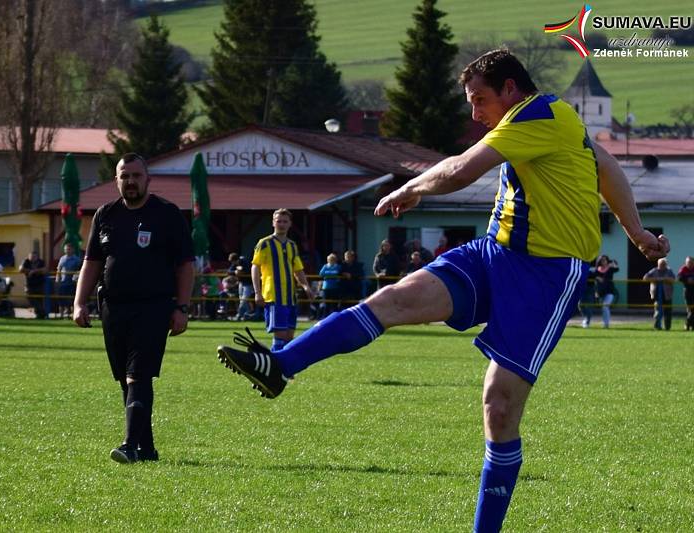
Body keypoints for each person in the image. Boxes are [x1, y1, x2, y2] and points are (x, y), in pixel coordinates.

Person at [215, 49, 670, 532]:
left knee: (498, 405)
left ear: (510, 90)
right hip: (493, 254)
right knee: (392, 299)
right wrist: (638, 230)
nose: (473, 112)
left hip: (547, 276)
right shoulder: (547, 119)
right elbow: (601, 166)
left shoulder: (539, 114)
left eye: (479, 99)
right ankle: (280, 365)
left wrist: (414, 188)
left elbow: (462, 171)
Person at [73, 152, 195, 464]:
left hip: (153, 307)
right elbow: (92, 263)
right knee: (124, 380)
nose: (130, 182)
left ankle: (128, 445)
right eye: (124, 176)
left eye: (136, 176)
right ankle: (147, 449)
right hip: (113, 308)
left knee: (137, 376)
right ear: (116, 180)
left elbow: (185, 265)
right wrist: (78, 302)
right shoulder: (105, 215)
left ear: (148, 180)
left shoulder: (167, 214)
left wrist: (181, 307)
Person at [250, 208, 315, 352]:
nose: (282, 224)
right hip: (273, 296)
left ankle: (284, 368)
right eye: (279, 221)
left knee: (289, 337)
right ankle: (276, 368)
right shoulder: (265, 243)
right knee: (280, 335)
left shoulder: (292, 245)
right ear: (273, 223)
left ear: (290, 224)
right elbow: (255, 267)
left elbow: (298, 270)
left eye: (285, 221)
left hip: (290, 297)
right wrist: (257, 292)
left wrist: (305, 286)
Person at [643, 258, 675, 331]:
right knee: (658, 311)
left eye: (664, 264)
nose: (662, 266)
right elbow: (645, 278)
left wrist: (665, 279)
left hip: (667, 294)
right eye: (661, 264)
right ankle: (657, 326)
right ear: (658, 264)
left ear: (666, 264)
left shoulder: (669, 271)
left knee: (668, 311)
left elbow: (673, 279)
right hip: (657, 294)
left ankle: (667, 327)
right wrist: (655, 279)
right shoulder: (654, 271)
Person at [55, 243, 82, 317]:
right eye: (66, 249)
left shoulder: (77, 259)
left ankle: (73, 315)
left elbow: (79, 270)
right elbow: (59, 269)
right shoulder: (62, 258)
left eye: (69, 249)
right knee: (61, 299)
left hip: (72, 283)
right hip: (63, 282)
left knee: (72, 299)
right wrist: (57, 279)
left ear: (73, 250)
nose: (67, 250)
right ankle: (61, 315)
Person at [20, 251, 48, 319]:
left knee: (39, 300)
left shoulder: (41, 262)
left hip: (39, 283)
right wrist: (29, 271)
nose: (32, 258)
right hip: (29, 284)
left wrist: (33, 271)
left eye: (34, 257)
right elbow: (20, 269)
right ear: (28, 256)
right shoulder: (26, 261)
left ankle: (40, 315)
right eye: (31, 257)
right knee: (30, 297)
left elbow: (45, 270)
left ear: (37, 257)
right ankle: (43, 312)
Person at [593, 254, 619, 328]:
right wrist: (597, 277)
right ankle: (605, 323)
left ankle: (606, 324)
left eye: (605, 260)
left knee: (605, 306)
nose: (603, 261)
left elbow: (617, 269)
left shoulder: (610, 268)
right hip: (600, 292)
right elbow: (592, 275)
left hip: (610, 291)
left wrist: (614, 263)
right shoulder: (597, 269)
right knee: (603, 308)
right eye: (602, 260)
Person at [318, 253, 342, 319]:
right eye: (329, 259)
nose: (331, 261)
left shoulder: (338, 266)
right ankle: (325, 318)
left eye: (332, 259)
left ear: (335, 260)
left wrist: (328, 274)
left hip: (335, 287)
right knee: (326, 304)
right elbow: (321, 273)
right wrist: (332, 274)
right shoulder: (325, 266)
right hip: (326, 287)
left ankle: (335, 318)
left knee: (334, 304)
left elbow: (338, 272)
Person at [578, 261, 597, 328]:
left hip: (590, 288)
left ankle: (587, 321)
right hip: (582, 287)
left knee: (589, 305)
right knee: (580, 305)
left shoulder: (593, 266)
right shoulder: (581, 263)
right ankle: (585, 318)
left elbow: (593, 275)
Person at [678, 256, 694, 331]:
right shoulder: (683, 269)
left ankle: (689, 325)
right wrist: (687, 280)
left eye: (691, 262)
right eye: (688, 263)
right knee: (690, 309)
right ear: (686, 263)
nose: (690, 264)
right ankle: (688, 324)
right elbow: (679, 277)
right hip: (687, 291)